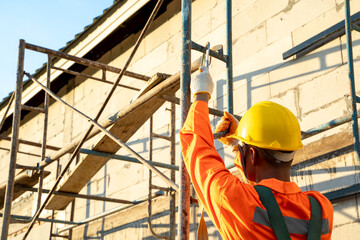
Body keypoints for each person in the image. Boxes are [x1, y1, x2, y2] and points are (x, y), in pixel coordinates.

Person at [179, 66, 333, 239]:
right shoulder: (321, 207)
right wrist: (240, 147)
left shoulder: (231, 197)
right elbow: (267, 201)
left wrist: (200, 95)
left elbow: (197, 148)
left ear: (252, 155)